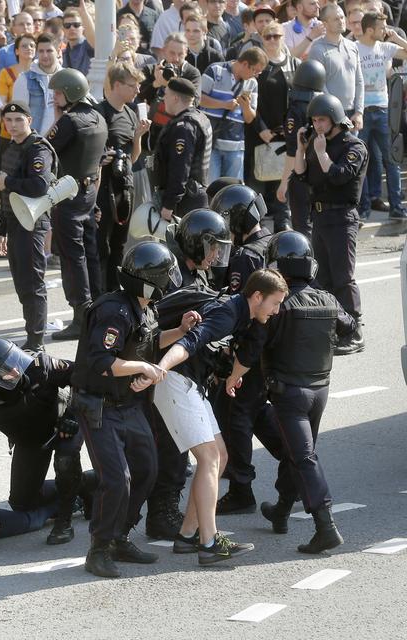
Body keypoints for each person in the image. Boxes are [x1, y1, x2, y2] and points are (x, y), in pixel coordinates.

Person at [72, 241, 199, 578]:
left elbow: (148, 342)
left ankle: (121, 537)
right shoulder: (114, 310)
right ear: (147, 279)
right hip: (99, 406)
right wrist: (142, 369)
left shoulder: (143, 306)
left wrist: (181, 331)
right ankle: (99, 548)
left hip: (128, 404)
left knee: (146, 469)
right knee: (117, 479)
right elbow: (101, 361)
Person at [225, 231, 356, 553]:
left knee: (302, 456)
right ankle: (282, 510)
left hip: (290, 394)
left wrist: (232, 376)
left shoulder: (279, 306)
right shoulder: (327, 298)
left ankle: (325, 525)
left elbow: (251, 350)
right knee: (297, 451)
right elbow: (350, 326)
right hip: (320, 390)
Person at [148, 269, 287, 564]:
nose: (276, 311)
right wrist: (161, 367)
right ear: (257, 297)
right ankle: (208, 542)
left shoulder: (245, 316)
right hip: (174, 379)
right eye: (274, 304)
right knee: (210, 458)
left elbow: (243, 354)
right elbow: (189, 342)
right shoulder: (226, 313)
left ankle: (187, 535)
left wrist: (231, 377)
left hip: (191, 383)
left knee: (221, 456)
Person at [145, 209, 232, 541]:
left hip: (189, 377)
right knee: (171, 453)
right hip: (169, 378)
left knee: (200, 454)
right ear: (197, 242)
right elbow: (153, 327)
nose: (215, 256)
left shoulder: (196, 275)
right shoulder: (175, 278)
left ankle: (183, 523)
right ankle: (162, 514)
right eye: (212, 247)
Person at [0, 337, 94, 545]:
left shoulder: (40, 365)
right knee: (22, 504)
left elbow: (83, 378)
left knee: (65, 458)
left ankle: (64, 521)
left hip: (62, 425)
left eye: (14, 362)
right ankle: (88, 484)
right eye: (5, 370)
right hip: (31, 439)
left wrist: (71, 414)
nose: (16, 371)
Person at [207, 183, 288, 514]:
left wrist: (235, 356)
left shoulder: (245, 255)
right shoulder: (275, 240)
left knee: (236, 413)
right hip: (275, 345)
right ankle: (295, 457)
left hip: (252, 347)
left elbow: (244, 310)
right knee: (255, 409)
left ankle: (241, 488)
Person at [294, 93, 368, 355]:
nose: (317, 125)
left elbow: (339, 177)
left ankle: (355, 330)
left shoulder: (353, 146)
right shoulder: (316, 142)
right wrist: (302, 149)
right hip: (321, 217)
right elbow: (302, 176)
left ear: (335, 118)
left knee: (343, 278)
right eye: (314, 120)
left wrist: (322, 153)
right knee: (323, 278)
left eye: (322, 120)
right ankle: (335, 328)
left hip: (342, 218)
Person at [47, 68, 108, 341]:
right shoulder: (97, 116)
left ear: (70, 92)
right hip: (88, 192)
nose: (54, 97)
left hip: (69, 195)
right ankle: (96, 306)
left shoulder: (70, 121)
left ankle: (80, 314)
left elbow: (46, 148)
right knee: (89, 254)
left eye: (58, 92)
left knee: (72, 258)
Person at [0, 101, 57, 353]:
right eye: (8, 121)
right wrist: (1, 230)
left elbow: (39, 185)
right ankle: (32, 334)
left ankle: (36, 341)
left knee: (32, 283)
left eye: (19, 120)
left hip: (32, 222)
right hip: (14, 221)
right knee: (22, 283)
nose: (13, 125)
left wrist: (7, 181)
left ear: (29, 120)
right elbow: (4, 194)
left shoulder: (37, 149)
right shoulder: (10, 147)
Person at [96, 63, 150, 293]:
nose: (138, 90)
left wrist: (138, 136)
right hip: (103, 187)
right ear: (117, 85)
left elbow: (132, 157)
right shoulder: (99, 113)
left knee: (119, 243)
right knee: (102, 244)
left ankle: (115, 289)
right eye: (133, 85)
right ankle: (100, 291)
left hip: (124, 186)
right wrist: (100, 158)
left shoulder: (130, 112)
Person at [246, 22, 298, 232]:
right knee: (257, 179)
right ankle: (252, 223)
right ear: (262, 38)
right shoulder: (258, 66)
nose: (273, 40)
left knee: (283, 177)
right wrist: (260, 128)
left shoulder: (293, 63)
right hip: (260, 131)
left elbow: (297, 99)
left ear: (283, 37)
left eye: (277, 36)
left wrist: (291, 126)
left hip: (286, 131)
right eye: (268, 36)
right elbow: (248, 99)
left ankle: (282, 220)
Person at [356, 11, 407, 221]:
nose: (385, 31)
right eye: (381, 28)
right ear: (369, 30)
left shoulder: (385, 47)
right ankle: (363, 207)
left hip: (383, 110)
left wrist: (397, 38)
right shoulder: (355, 47)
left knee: (392, 160)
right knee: (362, 162)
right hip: (362, 110)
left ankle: (397, 207)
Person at [199, 47, 268, 182]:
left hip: (235, 146)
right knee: (210, 188)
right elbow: (199, 99)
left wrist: (246, 106)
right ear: (245, 64)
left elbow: (249, 119)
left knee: (234, 190)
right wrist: (224, 104)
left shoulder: (252, 83)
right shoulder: (214, 70)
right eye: (255, 71)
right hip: (210, 142)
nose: (256, 75)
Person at [152, 77, 212, 223]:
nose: (163, 99)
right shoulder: (200, 117)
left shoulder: (184, 128)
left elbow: (180, 169)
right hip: (195, 196)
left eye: (165, 95)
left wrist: (169, 204)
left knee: (176, 245)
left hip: (185, 202)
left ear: (175, 98)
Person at [278, 59, 326, 239]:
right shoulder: (325, 106)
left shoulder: (296, 110)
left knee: (301, 224)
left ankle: (306, 261)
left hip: (300, 173)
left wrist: (284, 183)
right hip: (321, 169)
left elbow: (293, 151)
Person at [307, 4, 364, 131]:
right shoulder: (317, 48)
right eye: (336, 19)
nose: (341, 21)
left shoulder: (352, 46)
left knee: (354, 150)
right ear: (325, 24)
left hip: (353, 114)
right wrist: (336, 113)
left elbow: (359, 81)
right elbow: (319, 86)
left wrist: (359, 112)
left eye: (342, 18)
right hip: (330, 116)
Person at [12, 33, 63, 137]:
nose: (45, 55)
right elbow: (17, 116)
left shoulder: (67, 78)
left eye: (49, 51)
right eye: (41, 51)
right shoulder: (24, 79)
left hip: (62, 141)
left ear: (58, 52)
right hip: (35, 142)